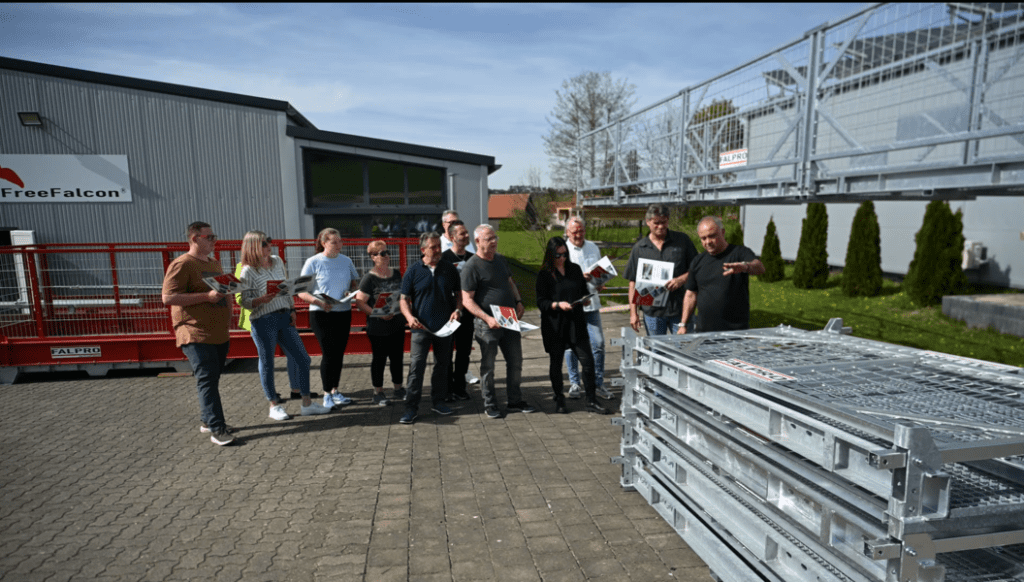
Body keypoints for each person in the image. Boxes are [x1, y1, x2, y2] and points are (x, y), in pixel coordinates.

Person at [238, 231, 330, 420]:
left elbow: (285, 287)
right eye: (264, 243)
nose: (269, 245)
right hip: (263, 320)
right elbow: (243, 300)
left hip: (283, 316)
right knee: (267, 363)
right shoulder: (248, 270)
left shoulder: (277, 261)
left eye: (269, 241)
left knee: (303, 359)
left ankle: (307, 403)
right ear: (253, 246)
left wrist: (292, 308)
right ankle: (274, 405)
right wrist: (261, 299)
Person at [161, 221, 236, 446]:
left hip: (218, 331)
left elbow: (220, 290)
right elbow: (168, 297)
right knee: (206, 380)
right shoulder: (182, 264)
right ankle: (217, 428)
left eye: (214, 236)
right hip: (194, 331)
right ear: (195, 238)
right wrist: (206, 297)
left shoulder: (213, 263)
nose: (215, 241)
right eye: (210, 237)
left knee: (212, 379)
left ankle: (207, 420)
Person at [461, 224, 537, 419]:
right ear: (477, 242)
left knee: (516, 361)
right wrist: (487, 318)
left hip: (509, 318)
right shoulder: (471, 266)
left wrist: (519, 301)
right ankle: (490, 404)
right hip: (487, 323)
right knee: (489, 366)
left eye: (495, 237)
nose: (494, 242)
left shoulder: (501, 260)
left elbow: (510, 282)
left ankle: (515, 400)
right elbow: (466, 299)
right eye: (489, 239)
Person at [536, 236, 611, 415]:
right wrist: (557, 305)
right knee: (556, 363)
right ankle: (559, 399)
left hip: (576, 323)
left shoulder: (575, 269)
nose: (562, 258)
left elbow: (583, 291)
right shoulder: (544, 274)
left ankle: (591, 400)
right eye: (558, 255)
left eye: (564, 254)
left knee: (588, 362)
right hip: (555, 325)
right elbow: (541, 302)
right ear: (550, 255)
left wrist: (585, 300)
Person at [398, 232, 461, 424]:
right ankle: (411, 408)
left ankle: (438, 401)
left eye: (439, 246)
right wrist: (409, 317)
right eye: (434, 247)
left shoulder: (449, 268)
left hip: (444, 328)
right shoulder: (413, 270)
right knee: (417, 367)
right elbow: (403, 299)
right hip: (420, 328)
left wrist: (458, 310)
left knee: (443, 365)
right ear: (423, 249)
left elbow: (458, 294)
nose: (438, 250)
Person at [298, 228, 360, 409]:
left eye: (340, 241)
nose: (339, 245)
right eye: (334, 242)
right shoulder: (313, 261)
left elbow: (354, 283)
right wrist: (318, 302)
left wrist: (350, 291)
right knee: (329, 352)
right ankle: (326, 394)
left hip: (343, 311)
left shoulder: (346, 261)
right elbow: (301, 291)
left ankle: (335, 390)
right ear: (324, 243)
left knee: (339, 353)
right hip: (321, 313)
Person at [680, 216, 765, 334]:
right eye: (703, 238)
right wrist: (683, 324)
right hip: (703, 331)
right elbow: (690, 294)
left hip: (735, 332)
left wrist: (745, 267)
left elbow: (759, 267)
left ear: (723, 232)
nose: (708, 242)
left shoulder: (740, 253)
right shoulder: (698, 261)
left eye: (712, 236)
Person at [625, 204, 699, 336]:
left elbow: (697, 267)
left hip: (680, 309)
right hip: (652, 312)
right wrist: (633, 313)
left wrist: (682, 279)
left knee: (686, 349)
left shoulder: (682, 240)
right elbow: (633, 283)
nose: (660, 226)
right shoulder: (639, 248)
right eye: (656, 223)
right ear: (648, 222)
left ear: (668, 220)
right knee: (656, 351)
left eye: (663, 222)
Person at [562, 216, 612, 401]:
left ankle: (598, 383)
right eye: (574, 231)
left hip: (592, 303)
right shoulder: (562, 250)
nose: (578, 235)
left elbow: (599, 270)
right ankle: (575, 383)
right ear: (567, 232)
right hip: (572, 306)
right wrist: (578, 278)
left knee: (598, 344)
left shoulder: (593, 247)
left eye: (581, 230)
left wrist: (600, 282)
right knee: (571, 346)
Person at [354, 240, 406, 406]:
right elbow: (360, 302)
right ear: (373, 257)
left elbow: (403, 295)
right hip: (378, 327)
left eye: (387, 252)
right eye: (382, 253)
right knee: (380, 359)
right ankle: (378, 392)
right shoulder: (369, 278)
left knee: (397, 357)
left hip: (397, 322)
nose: (386, 256)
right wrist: (378, 313)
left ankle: (398, 388)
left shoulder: (396, 273)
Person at [439, 219, 474, 402]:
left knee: (464, 351)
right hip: (448, 313)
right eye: (463, 233)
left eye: (467, 232)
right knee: (446, 352)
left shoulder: (471, 258)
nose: (467, 236)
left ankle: (460, 387)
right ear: (452, 237)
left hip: (467, 314)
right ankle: (446, 388)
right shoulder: (444, 259)